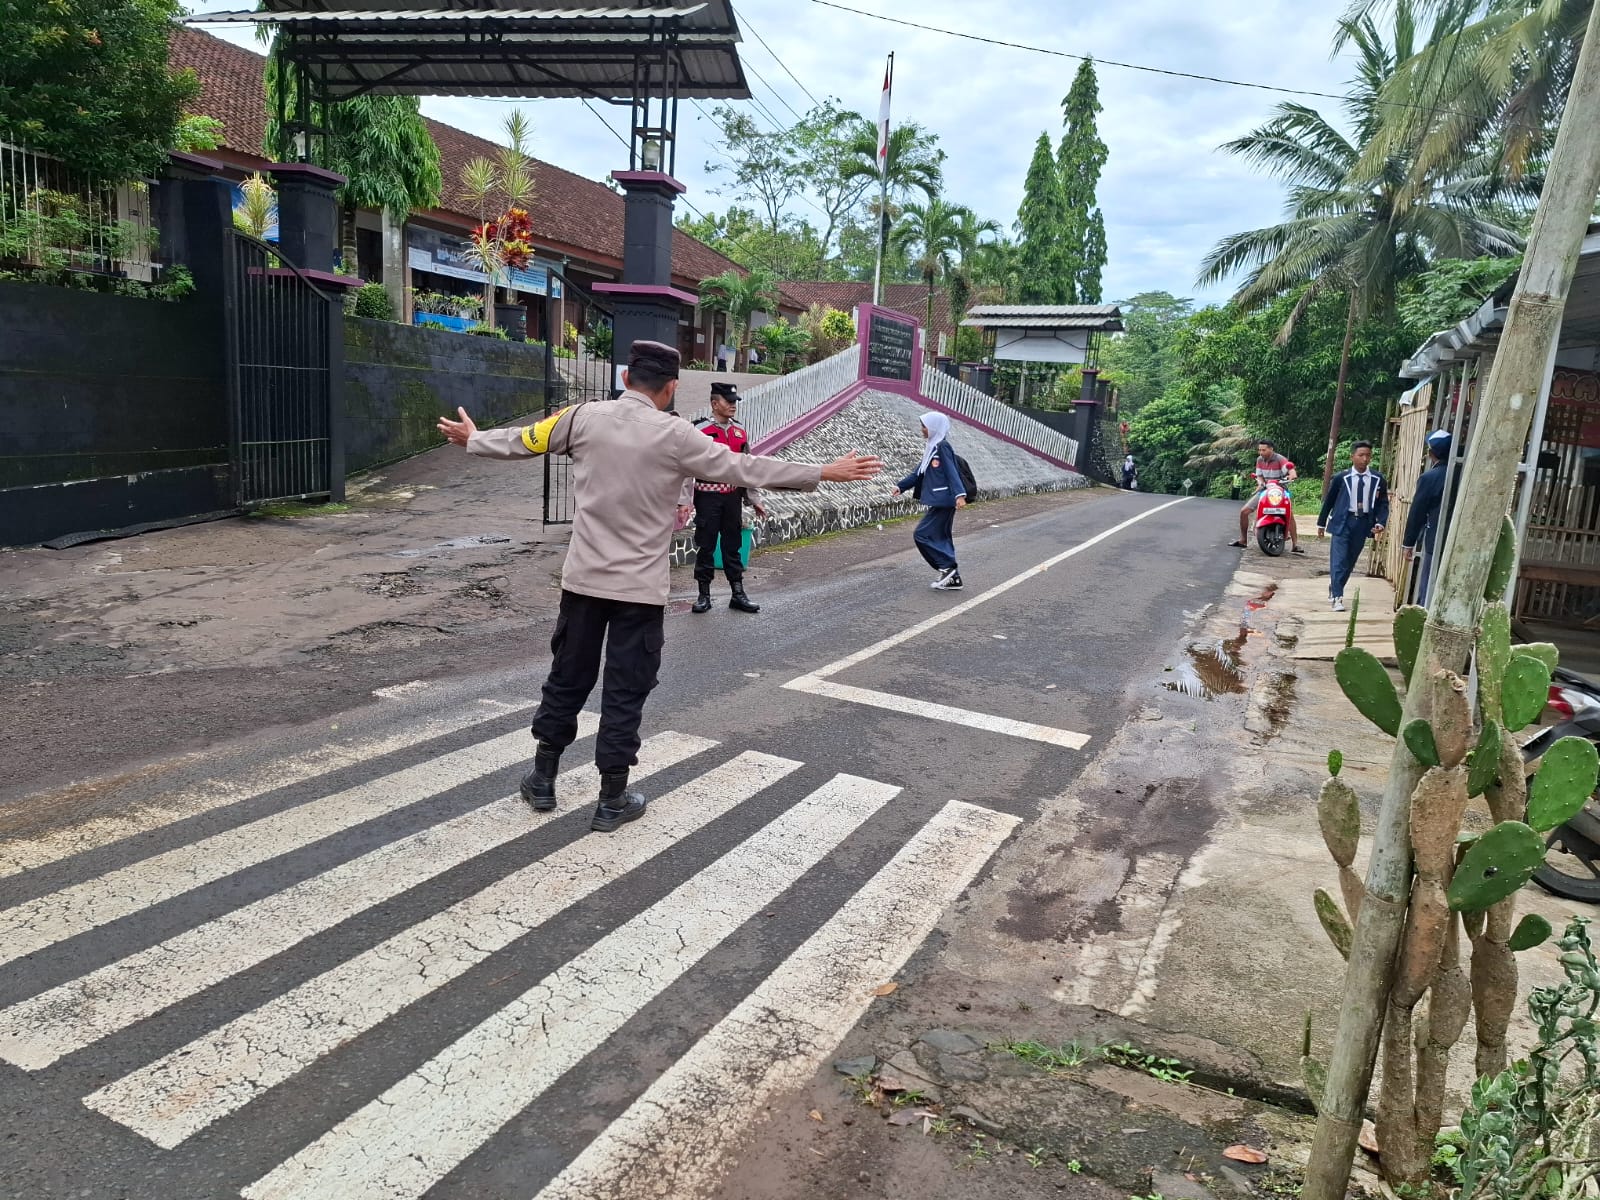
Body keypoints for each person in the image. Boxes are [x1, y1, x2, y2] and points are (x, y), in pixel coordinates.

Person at [437, 340, 881, 833]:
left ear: (626, 378)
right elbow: (745, 469)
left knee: (568, 677)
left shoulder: (581, 417)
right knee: (626, 690)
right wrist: (823, 471)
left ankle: (543, 779)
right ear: (670, 388)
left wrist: (474, 439)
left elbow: (524, 440)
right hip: (638, 594)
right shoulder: (678, 436)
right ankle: (611, 799)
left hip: (583, 582)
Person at [688, 382, 765, 614]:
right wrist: (683, 500)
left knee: (733, 546)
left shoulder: (740, 432)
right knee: (707, 546)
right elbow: (686, 467)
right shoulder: (699, 431)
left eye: (734, 401)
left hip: (732, 498)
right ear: (714, 403)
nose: (733, 405)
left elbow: (747, 469)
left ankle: (738, 594)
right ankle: (704, 595)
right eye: (728, 401)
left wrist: (754, 498)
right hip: (707, 497)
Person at [892, 412, 968, 591]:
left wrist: (959, 495)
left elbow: (952, 472)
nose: (922, 429)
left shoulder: (942, 447)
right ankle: (953, 578)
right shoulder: (931, 448)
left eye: (924, 426)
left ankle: (947, 567)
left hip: (946, 500)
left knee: (922, 534)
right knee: (941, 535)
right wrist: (901, 487)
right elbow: (918, 473)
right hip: (941, 501)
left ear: (934, 427)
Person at [1317, 439, 1389, 613]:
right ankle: (1337, 597)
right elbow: (1329, 501)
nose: (1365, 459)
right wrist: (1321, 522)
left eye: (1368, 456)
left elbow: (1383, 503)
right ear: (1353, 457)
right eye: (1361, 455)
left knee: (1350, 561)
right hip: (1343, 522)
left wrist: (1380, 522)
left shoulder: (1377, 479)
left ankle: (1335, 586)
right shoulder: (1342, 478)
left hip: (1362, 523)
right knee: (1338, 560)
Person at [1400, 429, 1455, 606]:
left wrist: (1408, 543)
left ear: (1431, 454)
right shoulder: (1464, 474)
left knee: (1429, 584)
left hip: (1435, 540)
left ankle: (1424, 614)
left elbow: (1417, 512)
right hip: (1460, 540)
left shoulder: (1430, 477)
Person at [1232, 439, 1303, 554]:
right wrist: (1260, 483)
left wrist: (1292, 477)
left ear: (1271, 449)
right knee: (1244, 511)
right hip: (1265, 490)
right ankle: (1243, 540)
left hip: (1280, 489)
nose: (1261, 452)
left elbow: (1291, 470)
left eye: (1263, 450)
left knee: (1289, 514)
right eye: (1259, 450)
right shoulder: (1259, 460)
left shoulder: (1280, 459)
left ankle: (1295, 544)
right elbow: (1259, 476)